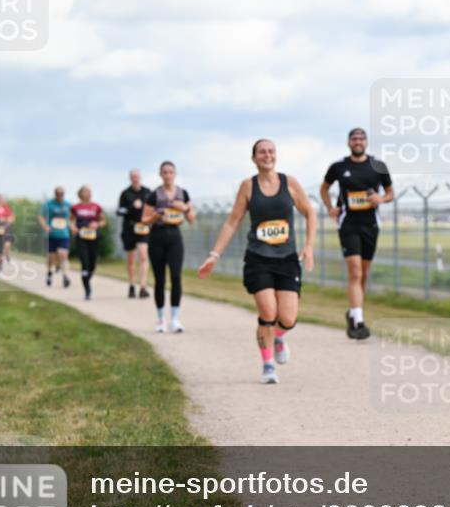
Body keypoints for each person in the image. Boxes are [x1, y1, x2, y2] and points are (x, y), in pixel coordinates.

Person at [199, 139, 316, 384]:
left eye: (271, 151)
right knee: (268, 312)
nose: (267, 155)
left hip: (286, 259)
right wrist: (214, 254)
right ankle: (268, 364)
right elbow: (233, 222)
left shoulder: (290, 183)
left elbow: (310, 212)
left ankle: (279, 336)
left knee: (288, 319)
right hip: (258, 259)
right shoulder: (248, 187)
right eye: (262, 152)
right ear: (254, 158)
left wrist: (309, 245)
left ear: (276, 156)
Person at [319, 127, 394, 339]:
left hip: (371, 224)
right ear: (348, 142)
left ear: (367, 142)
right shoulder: (339, 167)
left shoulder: (378, 166)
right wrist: (329, 208)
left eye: (361, 138)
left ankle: (353, 312)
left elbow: (390, 193)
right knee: (355, 272)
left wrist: (381, 199)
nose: (358, 141)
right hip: (348, 224)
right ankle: (359, 323)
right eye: (354, 138)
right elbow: (324, 189)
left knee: (363, 274)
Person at [142, 161, 195, 333]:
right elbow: (144, 219)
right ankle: (160, 319)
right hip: (157, 237)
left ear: (175, 174)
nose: (168, 175)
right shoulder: (154, 195)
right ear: (160, 174)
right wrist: (156, 216)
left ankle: (175, 318)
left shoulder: (183, 193)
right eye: (164, 172)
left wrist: (185, 208)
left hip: (175, 238)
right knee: (160, 279)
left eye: (171, 172)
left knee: (176, 277)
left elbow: (192, 218)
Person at [117, 169, 153, 299]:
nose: (135, 179)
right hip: (129, 228)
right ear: (130, 178)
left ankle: (143, 287)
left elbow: (154, 207)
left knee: (143, 255)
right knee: (131, 258)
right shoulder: (125, 193)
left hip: (143, 227)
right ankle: (132, 284)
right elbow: (119, 211)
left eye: (137, 176)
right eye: (133, 177)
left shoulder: (147, 192)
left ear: (140, 177)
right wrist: (131, 207)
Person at [71, 185, 106, 300]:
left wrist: (98, 224)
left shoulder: (96, 207)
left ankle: (87, 278)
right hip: (81, 238)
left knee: (92, 264)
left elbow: (103, 220)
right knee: (85, 263)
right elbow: (70, 220)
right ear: (80, 194)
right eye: (86, 191)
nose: (88, 193)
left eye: (90, 191)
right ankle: (87, 289)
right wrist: (73, 228)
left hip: (93, 237)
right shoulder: (75, 207)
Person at [38, 187, 73, 288]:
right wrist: (45, 226)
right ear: (55, 194)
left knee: (63, 254)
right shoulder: (48, 204)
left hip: (64, 234)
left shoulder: (68, 205)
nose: (60, 195)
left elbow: (72, 218)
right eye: (58, 193)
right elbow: (41, 216)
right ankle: (49, 273)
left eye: (62, 193)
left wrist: (72, 225)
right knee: (51, 257)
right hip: (51, 235)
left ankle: (65, 277)